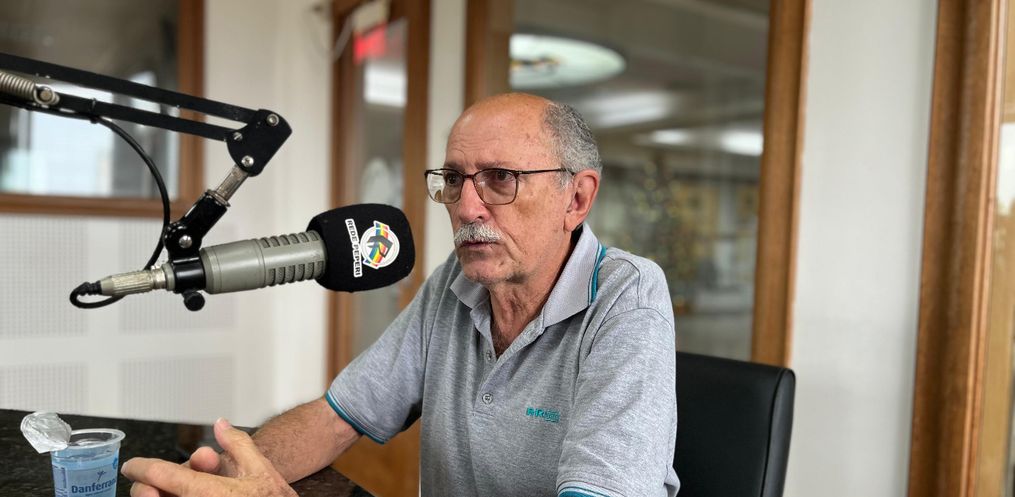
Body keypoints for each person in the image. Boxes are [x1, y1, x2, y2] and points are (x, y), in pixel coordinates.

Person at [122, 93, 679, 497]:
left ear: (576, 199)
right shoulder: (456, 283)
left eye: (500, 179)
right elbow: (337, 417)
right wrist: (224, 480)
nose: (466, 207)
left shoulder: (628, 298)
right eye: (454, 180)